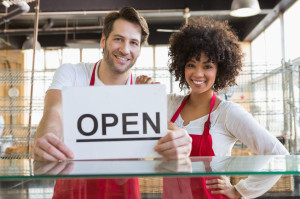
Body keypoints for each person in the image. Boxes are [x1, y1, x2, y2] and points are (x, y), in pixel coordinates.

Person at [33, 7, 191, 199]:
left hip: (124, 190)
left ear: (139, 50)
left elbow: (166, 127)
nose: (125, 49)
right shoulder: (73, 74)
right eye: (118, 39)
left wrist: (180, 140)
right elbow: (54, 110)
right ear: (103, 40)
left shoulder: (142, 89)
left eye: (133, 42)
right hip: (73, 188)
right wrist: (47, 139)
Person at [161, 17, 289, 199]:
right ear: (182, 66)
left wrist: (239, 191)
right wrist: (147, 87)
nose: (198, 74)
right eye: (191, 65)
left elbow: (278, 155)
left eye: (207, 66)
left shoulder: (228, 113)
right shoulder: (170, 104)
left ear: (220, 70)